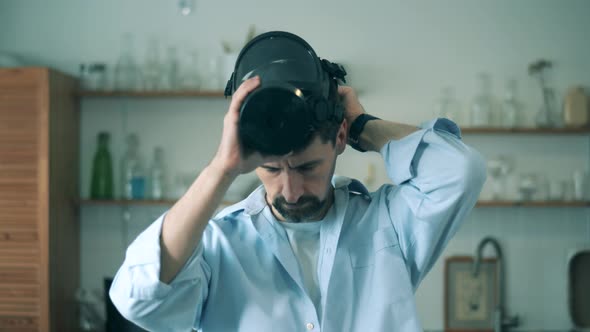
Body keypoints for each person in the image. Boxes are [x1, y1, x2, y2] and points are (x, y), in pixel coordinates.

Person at [110, 33, 486, 332]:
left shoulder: (387, 225)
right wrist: (221, 169)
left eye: (307, 168)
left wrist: (361, 125)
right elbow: (137, 300)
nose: (290, 192)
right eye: (272, 170)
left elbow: (459, 171)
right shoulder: (217, 246)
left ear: (339, 140)